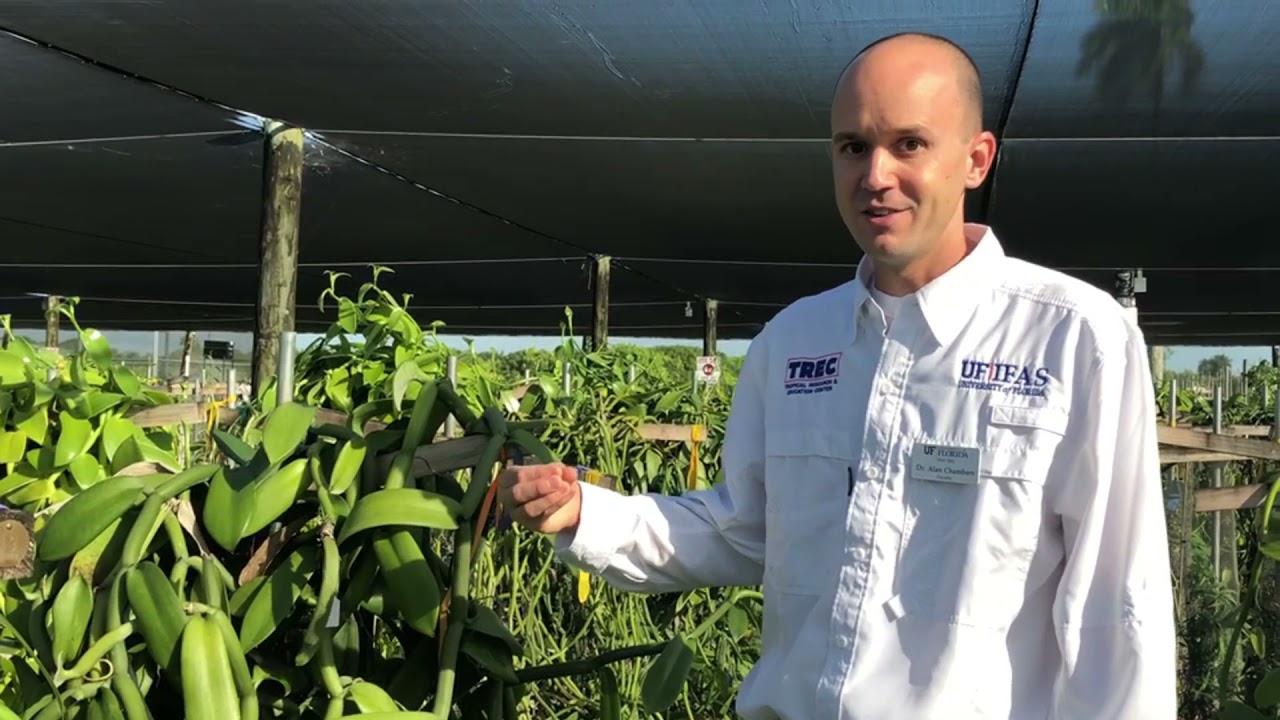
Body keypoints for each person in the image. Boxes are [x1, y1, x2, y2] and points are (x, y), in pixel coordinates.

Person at [496, 31, 1177, 719]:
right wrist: (588, 513)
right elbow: (744, 529)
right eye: (853, 146)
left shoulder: (1073, 338)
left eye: (909, 143)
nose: (875, 175)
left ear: (976, 160)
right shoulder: (792, 343)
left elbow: (1118, 610)